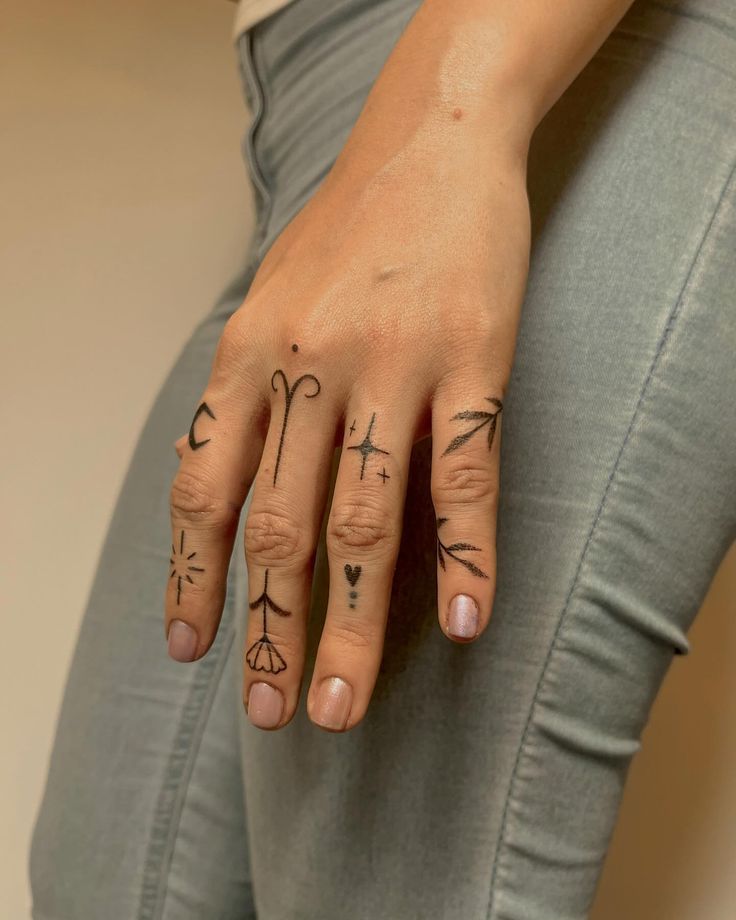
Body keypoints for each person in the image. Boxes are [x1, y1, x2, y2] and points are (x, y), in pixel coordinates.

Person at [30, 0, 736, 917]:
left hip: (557, 46)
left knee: (384, 885)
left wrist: (458, 101)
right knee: (106, 885)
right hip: (317, 102)